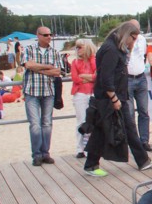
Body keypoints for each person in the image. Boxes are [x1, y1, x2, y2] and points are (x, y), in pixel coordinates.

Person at [84, 22, 152, 177]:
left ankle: (143, 160)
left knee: (126, 127)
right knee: (102, 130)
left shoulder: (114, 47)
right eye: (133, 38)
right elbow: (106, 77)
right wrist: (114, 98)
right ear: (126, 35)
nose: (134, 42)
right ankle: (91, 164)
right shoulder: (111, 50)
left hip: (117, 96)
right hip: (110, 98)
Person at [22, 26, 63, 166]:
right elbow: (28, 65)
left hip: (48, 92)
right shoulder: (29, 49)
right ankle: (37, 155)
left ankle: (45, 153)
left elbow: (57, 71)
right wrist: (47, 67)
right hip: (32, 91)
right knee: (35, 124)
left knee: (47, 124)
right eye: (45, 35)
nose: (49, 37)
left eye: (50, 34)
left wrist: (38, 68)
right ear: (38, 35)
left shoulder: (55, 52)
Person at [126, 20, 152, 151]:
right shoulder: (125, 39)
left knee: (144, 111)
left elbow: (144, 55)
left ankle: (144, 140)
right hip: (128, 78)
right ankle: (133, 142)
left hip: (141, 77)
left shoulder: (142, 40)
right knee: (130, 113)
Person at [70, 39, 97, 158]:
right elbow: (75, 78)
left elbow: (97, 76)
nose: (78, 49)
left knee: (92, 121)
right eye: (77, 47)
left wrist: (86, 76)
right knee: (81, 121)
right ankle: (80, 148)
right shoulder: (75, 62)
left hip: (92, 93)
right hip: (80, 93)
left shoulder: (94, 60)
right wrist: (90, 77)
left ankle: (90, 146)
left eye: (80, 47)